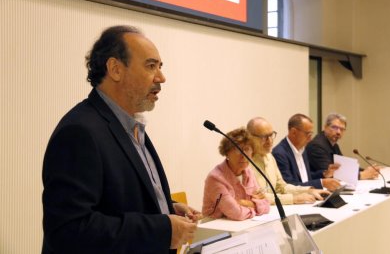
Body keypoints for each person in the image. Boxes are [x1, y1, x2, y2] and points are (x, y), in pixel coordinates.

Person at [42, 25, 201, 254]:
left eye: (160, 66)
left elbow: (119, 199)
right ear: (115, 69)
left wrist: (166, 209)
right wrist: (162, 229)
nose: (161, 77)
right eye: (151, 66)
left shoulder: (131, 127)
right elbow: (69, 230)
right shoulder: (80, 132)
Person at [246, 117, 329, 205]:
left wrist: (309, 190)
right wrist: (293, 198)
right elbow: (257, 196)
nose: (270, 141)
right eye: (264, 137)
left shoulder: (270, 157)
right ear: (250, 137)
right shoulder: (244, 162)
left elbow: (281, 187)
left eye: (271, 135)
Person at [202, 127, 270, 221]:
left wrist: (244, 203)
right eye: (238, 150)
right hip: (215, 228)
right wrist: (256, 206)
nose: (243, 155)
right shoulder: (215, 178)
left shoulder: (248, 172)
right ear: (227, 153)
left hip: (243, 225)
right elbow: (237, 213)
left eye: (247, 149)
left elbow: (266, 204)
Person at [272, 114, 342, 192]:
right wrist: (322, 183)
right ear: (293, 132)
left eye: (311, 134)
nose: (310, 138)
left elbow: (305, 178)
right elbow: (289, 185)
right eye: (308, 134)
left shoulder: (302, 149)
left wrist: (324, 174)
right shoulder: (280, 153)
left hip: (309, 196)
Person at [307, 113, 380, 180]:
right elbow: (330, 174)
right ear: (325, 127)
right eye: (334, 127)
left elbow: (343, 167)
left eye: (342, 129)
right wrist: (361, 175)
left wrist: (367, 170)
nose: (338, 132)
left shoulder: (333, 145)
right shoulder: (317, 146)